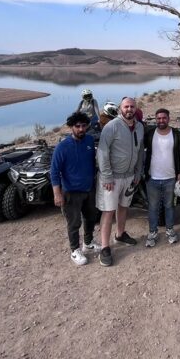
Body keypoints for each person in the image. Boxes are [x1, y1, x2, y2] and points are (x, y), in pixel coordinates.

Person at [96, 97, 144, 266]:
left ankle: (120, 234)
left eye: (132, 106)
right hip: (112, 178)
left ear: (135, 108)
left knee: (124, 207)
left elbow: (140, 151)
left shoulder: (139, 127)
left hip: (130, 176)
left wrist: (138, 172)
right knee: (108, 211)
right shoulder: (112, 126)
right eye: (126, 106)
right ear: (120, 109)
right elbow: (102, 153)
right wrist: (107, 176)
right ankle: (104, 247)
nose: (129, 109)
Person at [50, 112, 100, 266]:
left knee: (91, 217)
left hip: (89, 189)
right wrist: (57, 194)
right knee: (74, 222)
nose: (80, 129)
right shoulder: (62, 147)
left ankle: (88, 242)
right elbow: (54, 171)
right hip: (70, 192)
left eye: (83, 126)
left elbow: (93, 162)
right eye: (77, 126)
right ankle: (75, 250)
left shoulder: (90, 141)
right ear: (71, 127)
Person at [143, 108, 180, 247]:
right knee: (153, 207)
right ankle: (152, 232)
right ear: (156, 119)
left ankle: (170, 230)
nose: (161, 120)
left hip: (171, 178)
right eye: (158, 118)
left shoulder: (176, 134)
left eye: (164, 118)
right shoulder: (149, 134)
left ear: (168, 118)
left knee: (169, 206)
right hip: (152, 178)